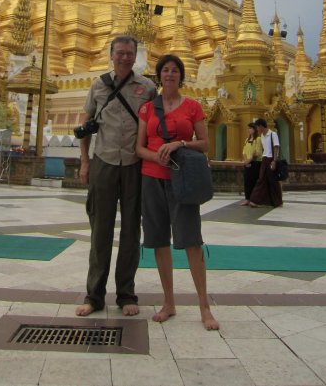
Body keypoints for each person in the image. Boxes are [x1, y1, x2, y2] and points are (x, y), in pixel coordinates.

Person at [136, 54, 219, 330]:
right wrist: (155, 156)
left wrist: (179, 144)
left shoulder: (193, 107)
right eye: (165, 70)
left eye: (175, 71)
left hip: (182, 179)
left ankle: (204, 307)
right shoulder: (148, 109)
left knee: (192, 241)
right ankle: (169, 302)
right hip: (152, 177)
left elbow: (205, 143)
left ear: (181, 76)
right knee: (159, 241)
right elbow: (139, 147)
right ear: (159, 76)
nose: (170, 75)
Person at [76, 35, 156, 317]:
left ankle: (126, 294)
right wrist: (85, 163)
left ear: (135, 56)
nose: (124, 57)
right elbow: (84, 126)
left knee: (132, 230)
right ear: (111, 55)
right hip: (104, 162)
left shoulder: (147, 87)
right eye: (120, 53)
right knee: (100, 231)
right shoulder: (98, 85)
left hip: (135, 164)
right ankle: (94, 296)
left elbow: (155, 125)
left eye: (129, 53)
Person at [249, 118, 283, 208]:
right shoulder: (262, 136)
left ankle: (278, 201)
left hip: (271, 159)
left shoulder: (273, 134)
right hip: (265, 159)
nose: (257, 129)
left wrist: (274, 161)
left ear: (261, 126)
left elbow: (276, 147)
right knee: (261, 179)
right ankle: (256, 200)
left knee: (273, 181)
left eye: (257, 127)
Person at [240, 122, 263, 205]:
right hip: (247, 163)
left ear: (254, 129)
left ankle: (254, 199)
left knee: (254, 181)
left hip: (255, 163)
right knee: (247, 181)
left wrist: (249, 161)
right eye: (248, 128)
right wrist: (246, 161)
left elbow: (257, 153)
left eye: (250, 128)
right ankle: (247, 199)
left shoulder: (258, 139)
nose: (249, 130)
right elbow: (244, 152)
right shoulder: (247, 140)